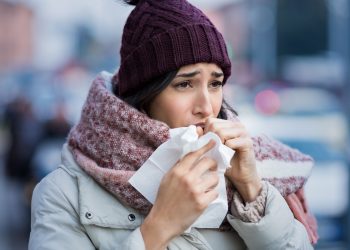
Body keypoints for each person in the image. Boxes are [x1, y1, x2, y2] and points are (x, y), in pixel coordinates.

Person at [29, 0, 317, 249]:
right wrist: (160, 226)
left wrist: (253, 189)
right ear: (145, 94)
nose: (206, 106)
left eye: (215, 83)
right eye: (185, 84)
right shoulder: (64, 193)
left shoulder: (247, 165)